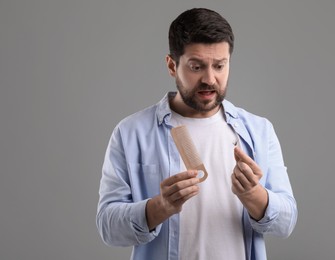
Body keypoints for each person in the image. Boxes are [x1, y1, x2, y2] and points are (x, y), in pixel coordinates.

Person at [96, 8, 297, 260]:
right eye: (196, 66)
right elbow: (107, 227)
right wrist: (160, 207)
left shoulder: (259, 131)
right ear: (172, 65)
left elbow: (286, 222)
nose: (209, 79)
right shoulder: (131, 133)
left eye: (220, 66)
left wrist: (253, 195)